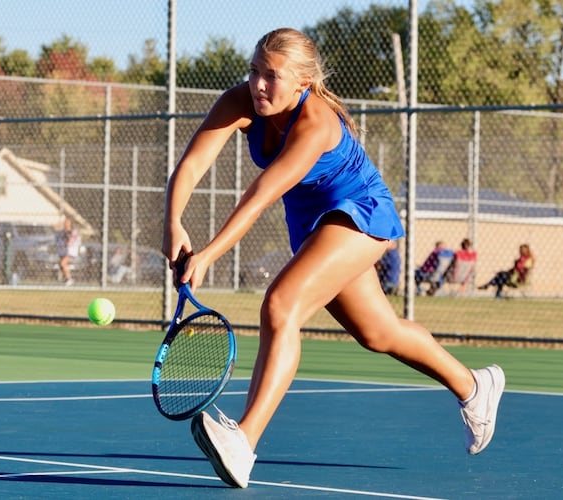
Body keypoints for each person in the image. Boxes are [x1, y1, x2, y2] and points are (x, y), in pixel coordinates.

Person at [161, 28, 505, 488]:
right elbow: (192, 164)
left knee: (282, 304)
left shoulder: (316, 124)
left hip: (359, 212)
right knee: (378, 333)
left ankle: (243, 441)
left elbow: (259, 197)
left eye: (272, 76)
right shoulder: (240, 101)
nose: (259, 84)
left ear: (303, 81)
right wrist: (173, 222)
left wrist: (208, 254)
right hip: (313, 223)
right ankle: (473, 386)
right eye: (254, 71)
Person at [56, 218, 80, 286]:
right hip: (63, 251)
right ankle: (67, 278)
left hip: (70, 251)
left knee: (63, 263)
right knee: (62, 265)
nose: (66, 224)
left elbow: (69, 239)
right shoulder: (62, 231)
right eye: (65, 222)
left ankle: (69, 279)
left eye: (67, 222)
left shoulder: (72, 231)